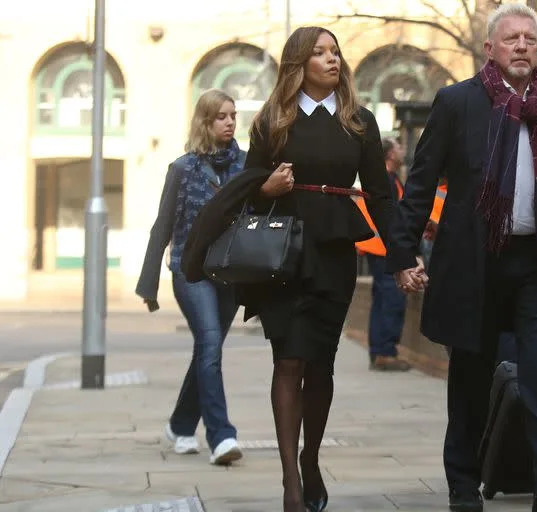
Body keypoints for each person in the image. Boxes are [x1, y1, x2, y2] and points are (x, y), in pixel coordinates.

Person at [386, 4, 537, 512]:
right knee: (470, 377)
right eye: (511, 39)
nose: (522, 45)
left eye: (529, 37)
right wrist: (403, 255)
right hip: (475, 264)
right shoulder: (457, 103)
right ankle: (463, 486)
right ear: (490, 49)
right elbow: (418, 187)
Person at [179, 27, 392, 512]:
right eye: (319, 53)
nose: (331, 59)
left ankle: (310, 457)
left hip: (335, 253)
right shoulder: (272, 121)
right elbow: (250, 185)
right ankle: (291, 484)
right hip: (281, 258)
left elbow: (380, 197)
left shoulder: (359, 121)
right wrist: (266, 189)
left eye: (335, 51)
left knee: (320, 366)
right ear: (299, 64)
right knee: (287, 361)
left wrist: (402, 257)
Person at [136, 89, 246, 465]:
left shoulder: (246, 166)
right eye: (221, 116)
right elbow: (162, 228)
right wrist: (149, 284)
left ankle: (181, 426)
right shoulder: (182, 169)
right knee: (211, 343)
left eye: (233, 115)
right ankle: (221, 436)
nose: (230, 122)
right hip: (190, 270)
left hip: (230, 272)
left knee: (207, 350)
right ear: (205, 122)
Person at [354, 137, 411, 371]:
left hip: (377, 247)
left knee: (381, 298)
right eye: (399, 147)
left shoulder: (390, 180)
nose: (403, 149)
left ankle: (378, 351)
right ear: (389, 154)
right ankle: (385, 352)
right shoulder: (386, 181)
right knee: (391, 298)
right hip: (383, 248)